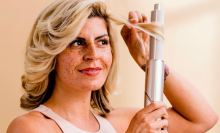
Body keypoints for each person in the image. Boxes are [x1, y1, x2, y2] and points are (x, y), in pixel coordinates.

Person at [7, 0, 218, 133]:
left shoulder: (120, 121)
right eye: (77, 42)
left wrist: (146, 61)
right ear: (51, 53)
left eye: (102, 42)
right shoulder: (30, 127)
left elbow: (203, 119)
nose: (93, 55)